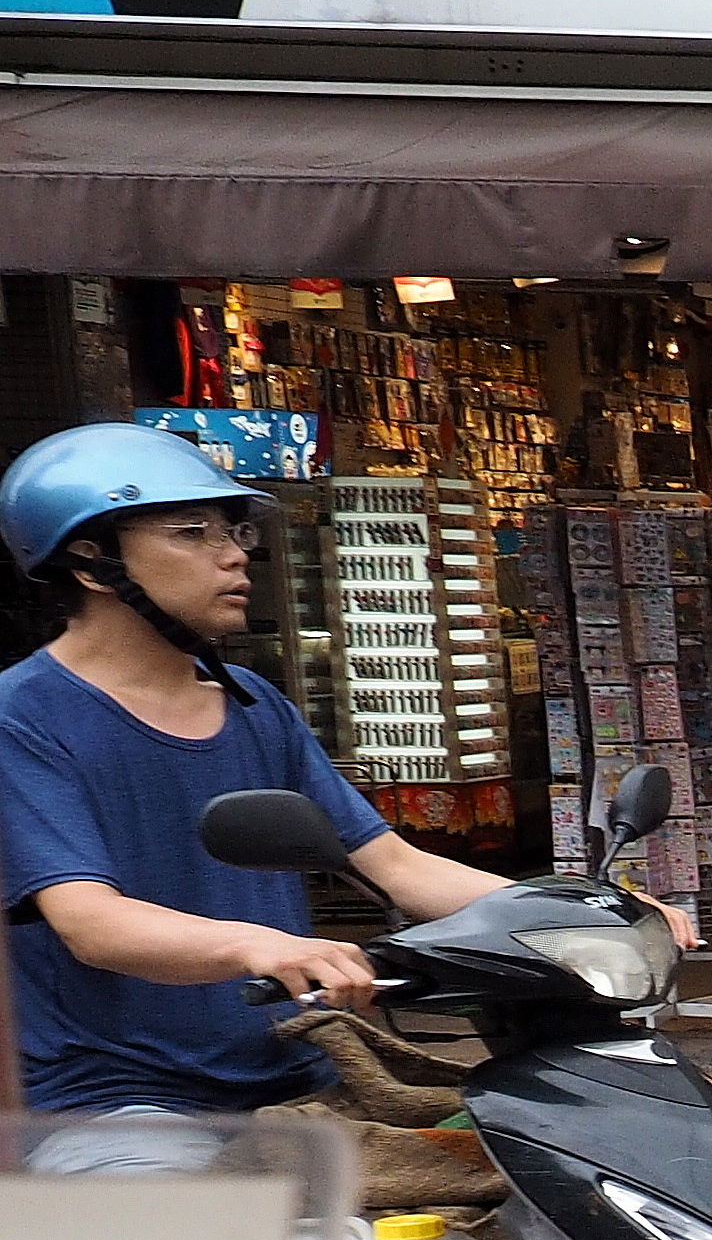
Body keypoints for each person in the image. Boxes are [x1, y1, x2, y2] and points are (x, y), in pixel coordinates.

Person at [2, 423, 513, 1158]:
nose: (235, 553)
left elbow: (394, 866)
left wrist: (577, 911)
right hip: (121, 1105)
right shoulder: (21, 720)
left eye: (234, 530)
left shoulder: (248, 702)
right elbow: (92, 923)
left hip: (293, 1081)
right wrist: (260, 945)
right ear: (91, 562)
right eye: (192, 532)